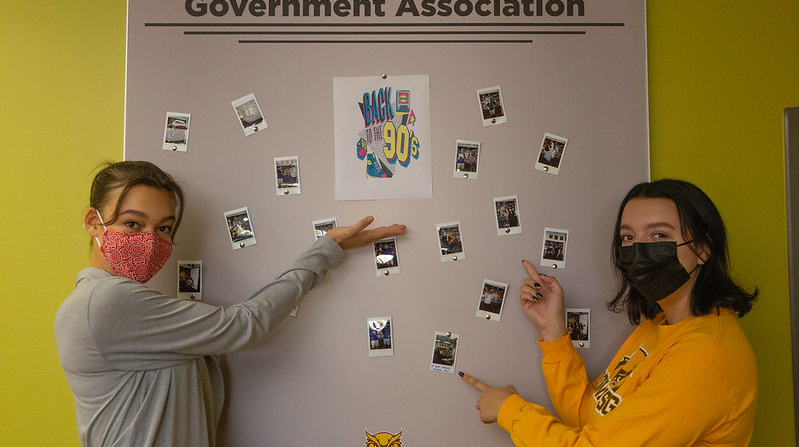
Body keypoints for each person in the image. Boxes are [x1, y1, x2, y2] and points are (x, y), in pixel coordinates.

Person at [54, 160, 406, 447]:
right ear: (93, 223)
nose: (149, 242)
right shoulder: (108, 301)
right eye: (133, 223)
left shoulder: (97, 303)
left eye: (163, 229)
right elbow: (244, 325)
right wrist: (324, 250)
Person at [461, 179, 758, 446]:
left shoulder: (704, 358)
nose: (638, 250)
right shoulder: (659, 327)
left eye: (658, 236)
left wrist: (509, 411)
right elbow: (590, 417)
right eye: (628, 238)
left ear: (704, 248)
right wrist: (553, 330)